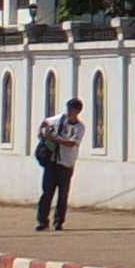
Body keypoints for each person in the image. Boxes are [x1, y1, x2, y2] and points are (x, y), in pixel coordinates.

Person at [35, 95, 84, 229]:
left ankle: (58, 221)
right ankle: (42, 221)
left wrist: (56, 139)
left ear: (77, 111)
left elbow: (72, 143)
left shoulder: (79, 127)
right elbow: (46, 123)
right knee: (47, 192)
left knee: (63, 194)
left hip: (66, 163)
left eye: (71, 110)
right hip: (52, 161)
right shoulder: (59, 120)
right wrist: (42, 133)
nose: (68, 112)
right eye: (68, 109)